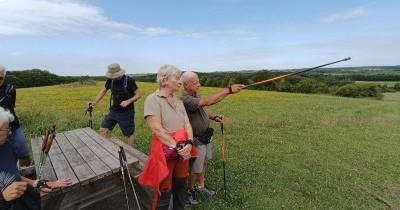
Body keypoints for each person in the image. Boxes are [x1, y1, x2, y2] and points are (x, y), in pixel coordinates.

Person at [180, 71, 243, 205]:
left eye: (198, 81)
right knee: (196, 168)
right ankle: (190, 190)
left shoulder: (195, 94)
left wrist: (213, 117)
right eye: (196, 82)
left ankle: (201, 186)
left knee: (205, 161)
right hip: (196, 140)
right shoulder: (185, 99)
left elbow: (203, 108)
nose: (199, 84)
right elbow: (208, 101)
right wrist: (229, 91)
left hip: (205, 137)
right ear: (186, 85)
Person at [138, 65, 196, 210]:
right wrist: (178, 147)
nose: (180, 82)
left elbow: (187, 124)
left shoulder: (180, 102)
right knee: (164, 190)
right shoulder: (153, 99)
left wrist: (189, 142)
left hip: (183, 150)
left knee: (180, 186)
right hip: (166, 152)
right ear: (164, 80)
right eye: (177, 78)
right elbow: (156, 128)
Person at [0, 107, 72, 209]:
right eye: (7, 129)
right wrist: (2, 196)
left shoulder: (6, 147)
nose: (10, 133)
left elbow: (14, 176)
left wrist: (37, 183)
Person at [90, 63, 141, 146]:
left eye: (115, 75)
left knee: (129, 134)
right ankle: (103, 150)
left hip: (127, 112)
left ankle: (130, 154)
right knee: (103, 129)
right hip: (114, 111)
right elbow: (103, 91)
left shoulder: (129, 80)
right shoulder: (110, 80)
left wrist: (128, 101)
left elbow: (138, 95)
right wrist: (95, 102)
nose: (113, 77)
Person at [0, 65, 31, 167]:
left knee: (24, 152)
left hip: (13, 127)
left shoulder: (11, 89)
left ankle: (26, 174)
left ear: (4, 76)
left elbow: (12, 106)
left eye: (0, 78)